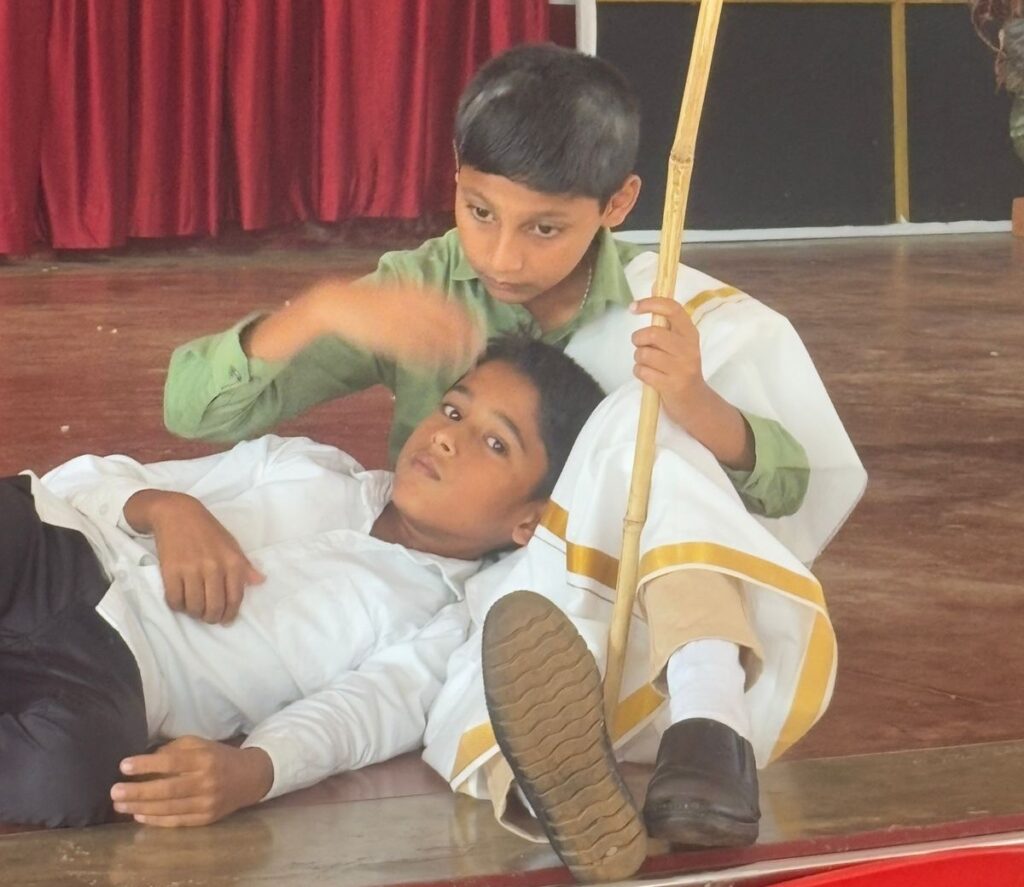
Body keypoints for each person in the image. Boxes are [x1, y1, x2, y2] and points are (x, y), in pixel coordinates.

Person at [162, 42, 865, 873]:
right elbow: (193, 409)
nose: (501, 255)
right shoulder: (424, 286)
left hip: (625, 593)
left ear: (618, 203)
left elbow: (791, 485)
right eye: (479, 211)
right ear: (455, 176)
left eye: (544, 228)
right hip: (457, 602)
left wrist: (695, 400)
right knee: (469, 688)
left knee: (641, 422)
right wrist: (320, 312)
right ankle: (581, 789)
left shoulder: (669, 306)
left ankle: (708, 725)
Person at [0, 336, 605, 830]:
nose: (447, 436)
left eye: (495, 443)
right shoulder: (304, 464)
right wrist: (163, 508)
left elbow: (353, 717)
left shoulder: (438, 628)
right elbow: (85, 481)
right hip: (57, 556)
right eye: (453, 410)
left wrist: (255, 771)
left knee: (71, 774)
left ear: (531, 522)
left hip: (112, 677)